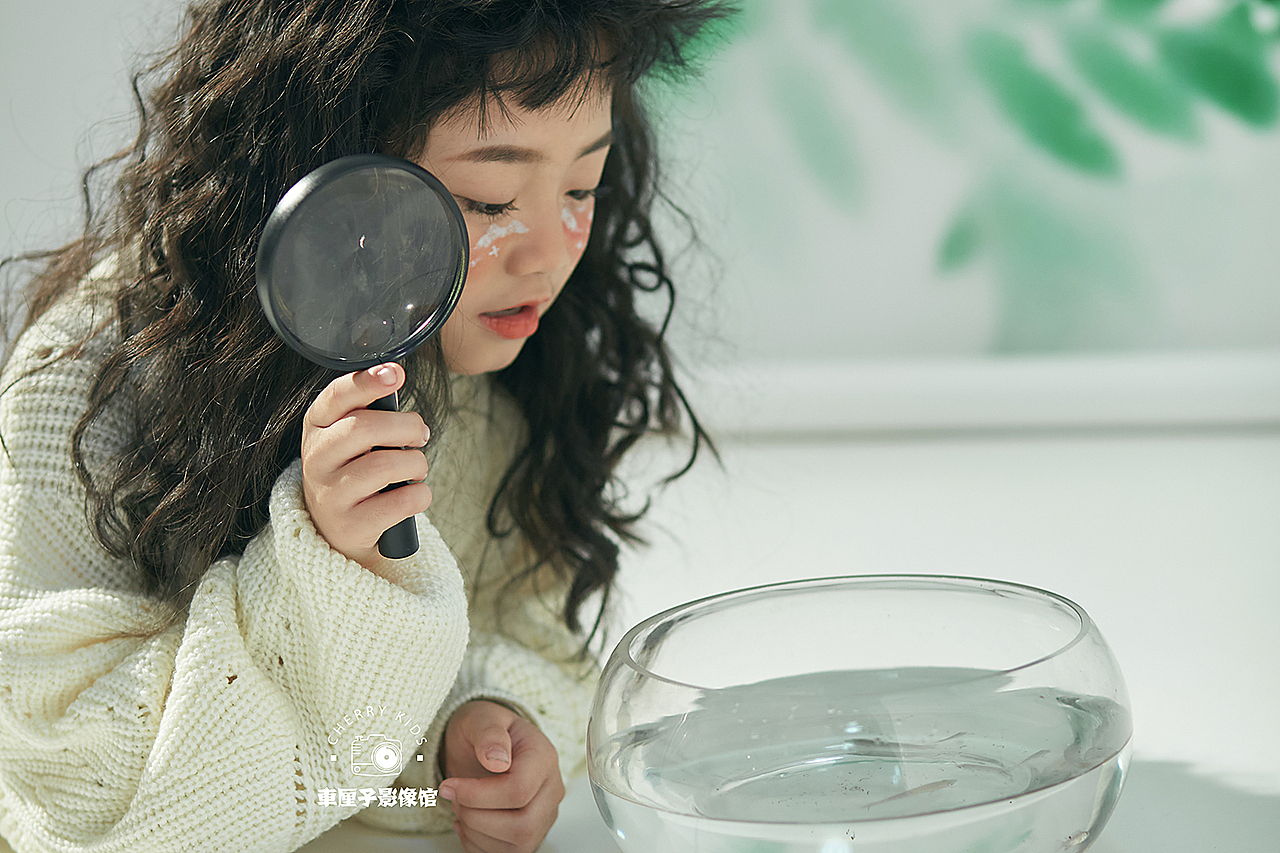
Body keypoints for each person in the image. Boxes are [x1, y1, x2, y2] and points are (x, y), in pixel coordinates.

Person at [0, 1, 726, 851]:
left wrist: (478, 724)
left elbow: (530, 633)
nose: (547, 253)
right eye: (490, 200)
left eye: (581, 188)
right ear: (316, 175)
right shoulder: (88, 383)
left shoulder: (508, 377)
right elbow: (70, 785)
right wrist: (328, 565)